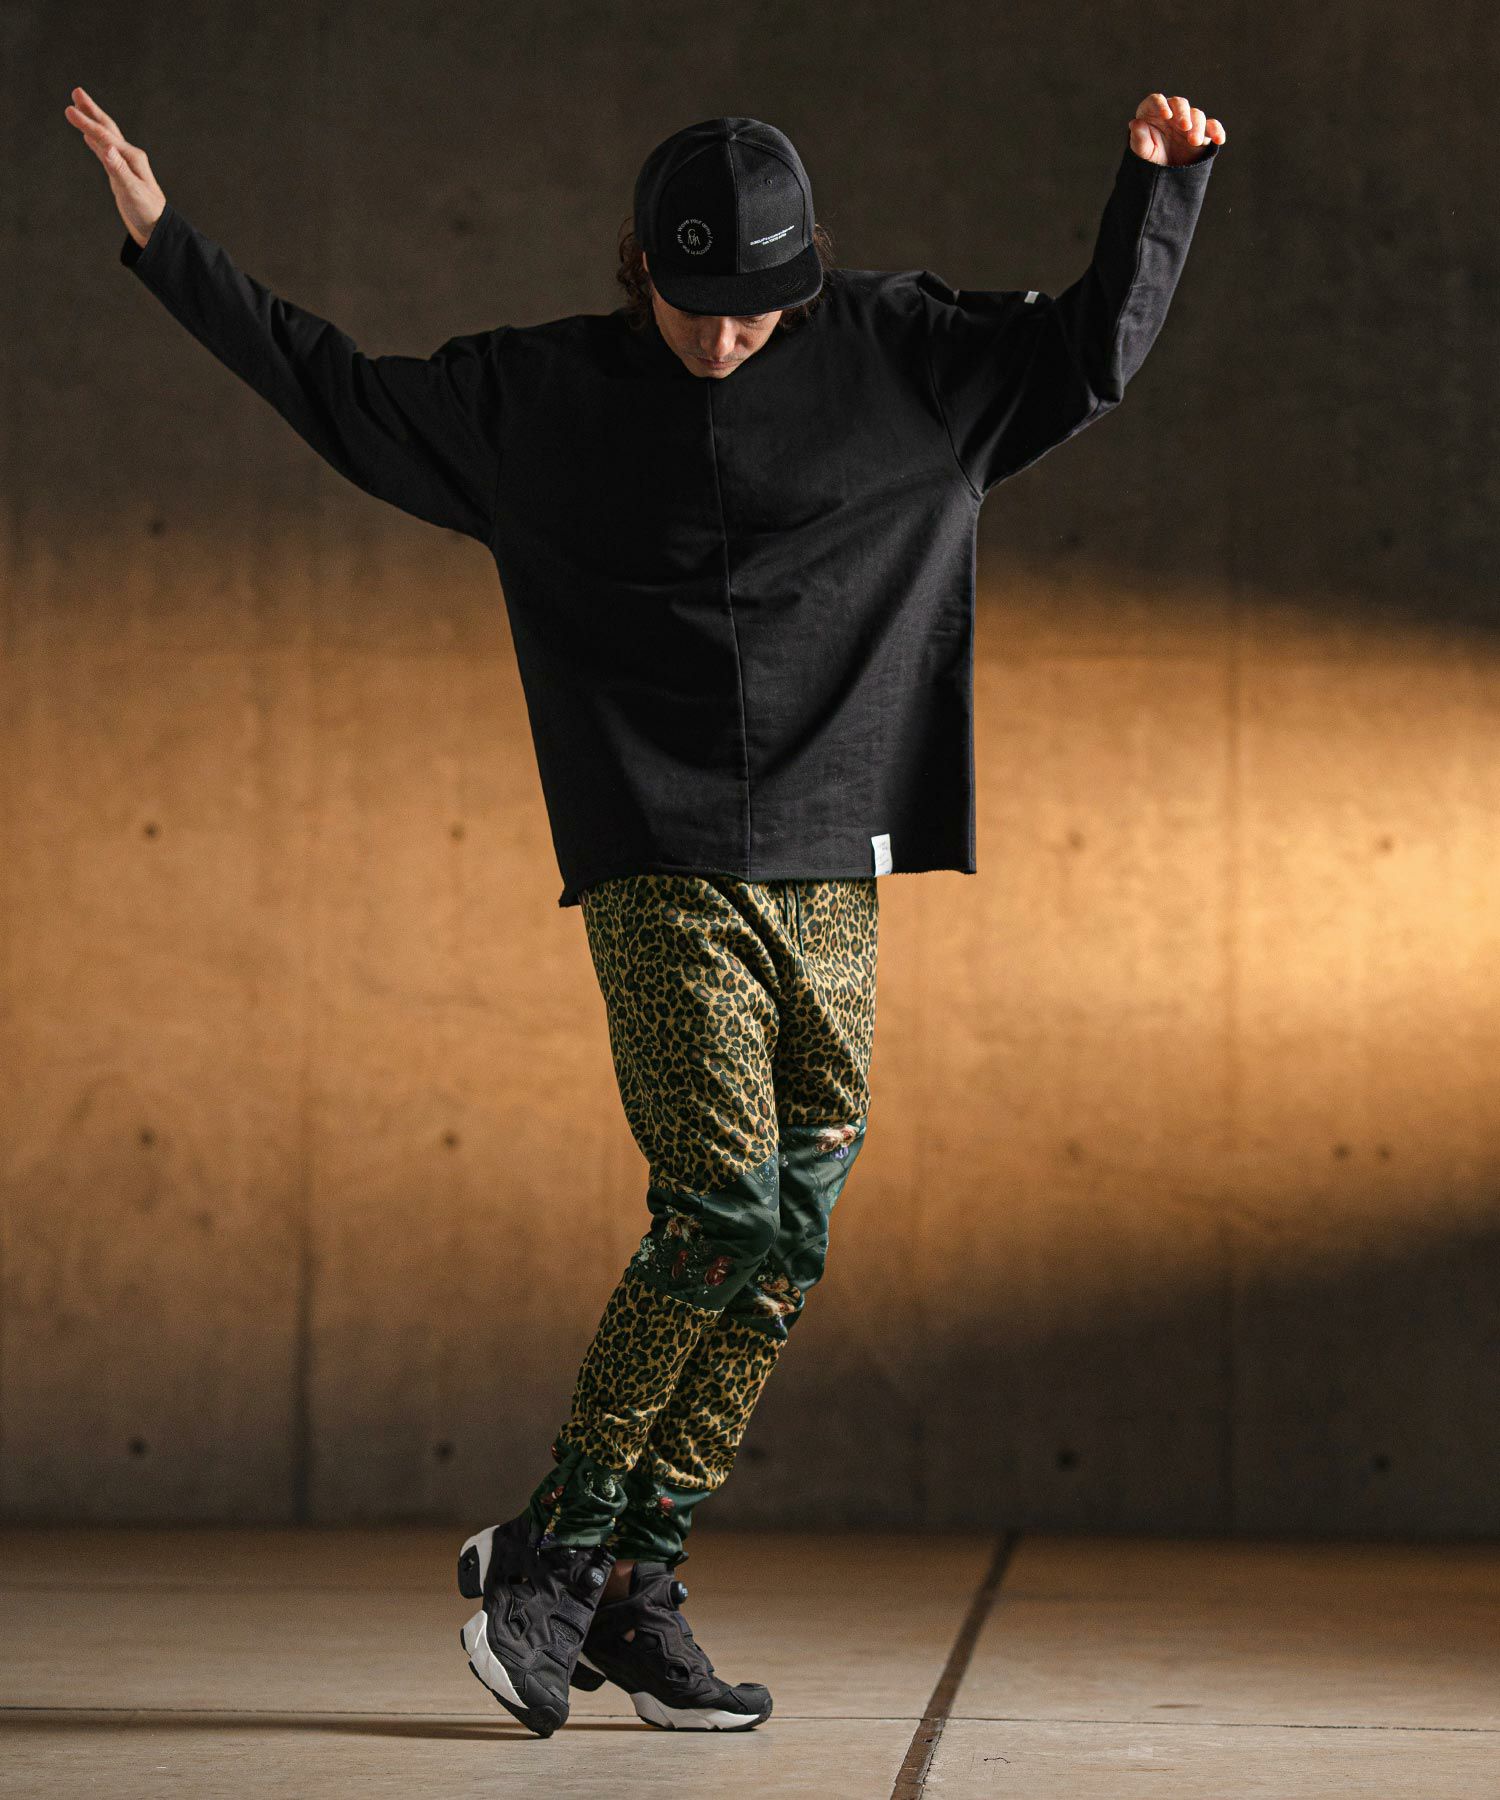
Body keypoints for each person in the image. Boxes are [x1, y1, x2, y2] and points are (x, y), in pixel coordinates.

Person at [69, 87, 1226, 1739]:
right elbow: (340, 393)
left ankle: (633, 1582)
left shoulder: (903, 357)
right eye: (695, 310)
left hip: (832, 858)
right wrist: (168, 243)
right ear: (641, 271)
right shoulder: (541, 400)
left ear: (803, 282)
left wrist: (1156, 192)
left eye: (757, 312)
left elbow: (1088, 357)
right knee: (722, 1205)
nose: (726, 340)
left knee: (795, 1226)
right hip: (660, 851)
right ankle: (550, 1557)